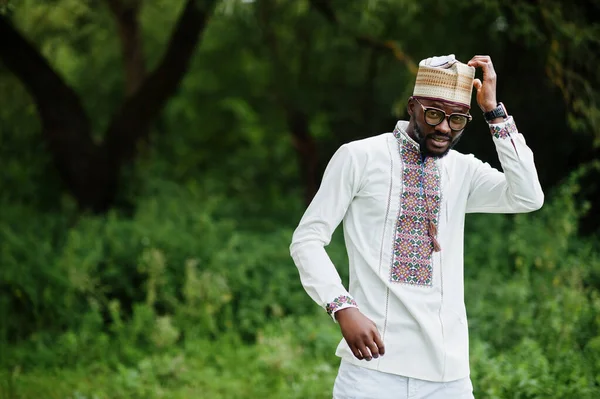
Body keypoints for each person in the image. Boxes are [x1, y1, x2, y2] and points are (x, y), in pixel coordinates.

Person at [289, 54, 544, 399]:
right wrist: (342, 306)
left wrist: (494, 112)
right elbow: (307, 240)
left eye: (457, 120)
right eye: (434, 114)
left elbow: (528, 196)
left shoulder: (463, 171)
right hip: (372, 371)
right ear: (413, 106)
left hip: (447, 376)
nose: (444, 128)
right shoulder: (359, 157)